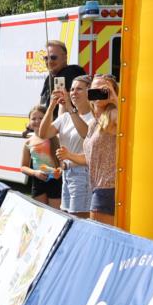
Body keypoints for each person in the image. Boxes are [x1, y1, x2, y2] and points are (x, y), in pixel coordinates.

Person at [57, 74, 118, 225]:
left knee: (98, 236)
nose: (97, 93)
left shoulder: (113, 114)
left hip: (108, 188)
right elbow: (90, 158)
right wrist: (69, 156)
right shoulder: (93, 123)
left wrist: (115, 98)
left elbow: (128, 123)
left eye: (103, 90)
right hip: (96, 187)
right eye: (94, 89)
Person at [38, 75, 95, 217]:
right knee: (67, 216)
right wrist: (51, 106)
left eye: (79, 89)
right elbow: (43, 133)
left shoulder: (94, 117)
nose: (74, 93)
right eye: (72, 89)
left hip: (83, 173)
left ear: (90, 92)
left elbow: (86, 134)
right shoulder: (65, 117)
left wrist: (69, 107)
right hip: (67, 173)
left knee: (79, 218)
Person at [20, 105, 62, 208]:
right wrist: (35, 173)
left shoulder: (56, 138)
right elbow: (23, 167)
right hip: (38, 181)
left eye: (41, 118)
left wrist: (60, 171)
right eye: (33, 119)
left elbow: (63, 162)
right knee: (39, 213)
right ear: (29, 122)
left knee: (55, 213)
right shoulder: (28, 142)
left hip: (55, 181)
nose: (37, 121)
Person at [38, 40, 85, 110]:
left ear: (65, 58)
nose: (49, 61)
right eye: (46, 58)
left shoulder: (73, 71)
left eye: (53, 57)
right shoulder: (49, 78)